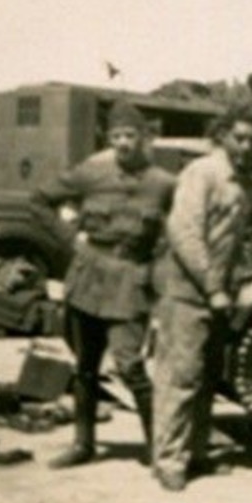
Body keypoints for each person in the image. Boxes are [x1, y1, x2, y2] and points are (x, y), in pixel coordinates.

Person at [32, 100, 176, 469]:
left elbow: (174, 236)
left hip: (130, 280)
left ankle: (159, 448)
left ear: (144, 138)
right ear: (109, 139)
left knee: (130, 367)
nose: (124, 143)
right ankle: (83, 444)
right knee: (85, 366)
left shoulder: (163, 184)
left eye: (131, 135)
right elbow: (40, 201)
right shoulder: (91, 174)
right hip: (88, 277)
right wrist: (69, 240)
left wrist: (159, 280)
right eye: (117, 136)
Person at [149, 105, 252, 492]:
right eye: (240, 138)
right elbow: (184, 233)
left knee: (207, 377)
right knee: (180, 375)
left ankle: (196, 452)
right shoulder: (202, 173)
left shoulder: (249, 183)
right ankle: (169, 459)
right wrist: (212, 287)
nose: (247, 146)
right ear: (222, 136)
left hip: (222, 293)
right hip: (188, 290)